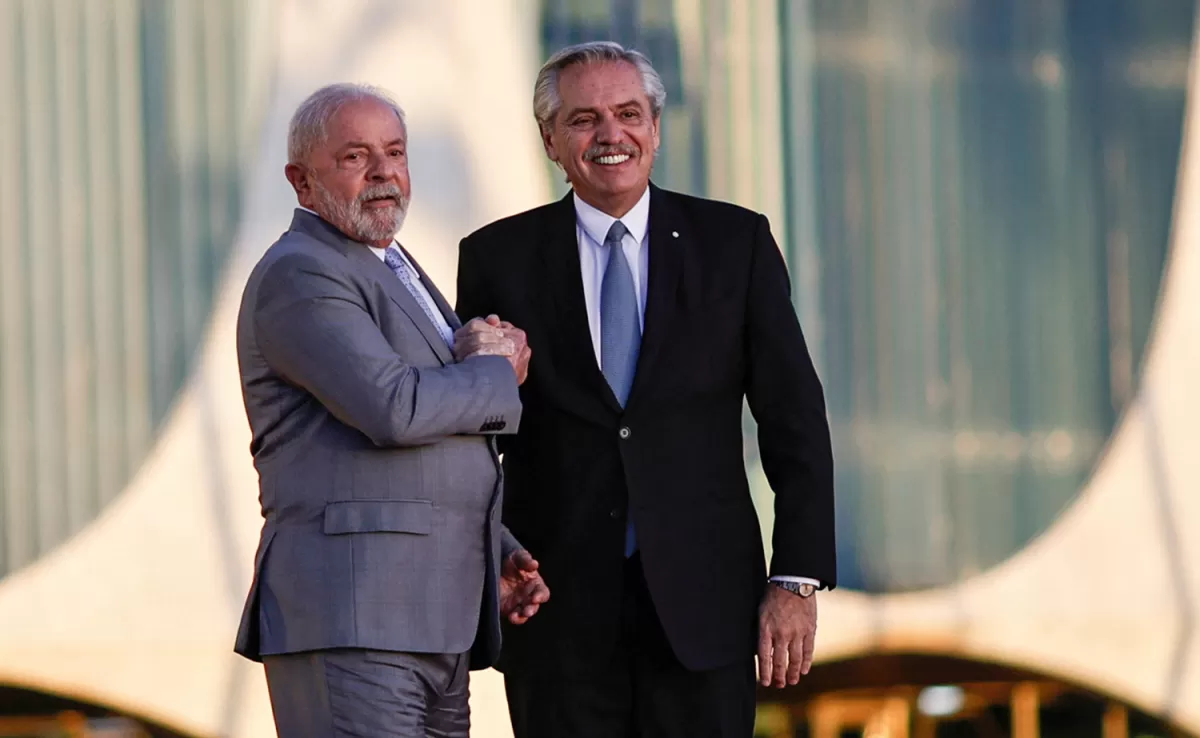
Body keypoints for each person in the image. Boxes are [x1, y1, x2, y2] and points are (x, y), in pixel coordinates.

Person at [455, 42, 836, 738]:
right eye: (584, 119)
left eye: (629, 114)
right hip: (554, 616)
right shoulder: (495, 258)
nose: (611, 135)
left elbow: (795, 420)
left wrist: (796, 579)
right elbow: (475, 443)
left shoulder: (735, 244)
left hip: (707, 615)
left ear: (656, 129)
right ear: (549, 138)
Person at [233, 83, 549, 738]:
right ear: (300, 179)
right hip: (353, 617)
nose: (383, 173)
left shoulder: (390, 265)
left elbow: (428, 441)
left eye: (395, 152)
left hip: (431, 621)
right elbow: (395, 407)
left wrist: (493, 545)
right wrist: (497, 369)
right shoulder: (303, 273)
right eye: (355, 157)